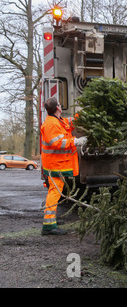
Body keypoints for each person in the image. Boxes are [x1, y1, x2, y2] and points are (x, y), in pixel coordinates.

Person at [40, 97, 87, 235]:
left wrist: (83, 112)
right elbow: (58, 143)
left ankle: (51, 218)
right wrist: (76, 141)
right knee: (55, 191)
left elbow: (70, 123)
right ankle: (48, 225)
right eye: (60, 104)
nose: (61, 106)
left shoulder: (58, 121)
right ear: (58, 108)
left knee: (55, 191)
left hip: (56, 163)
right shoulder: (51, 124)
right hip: (54, 164)